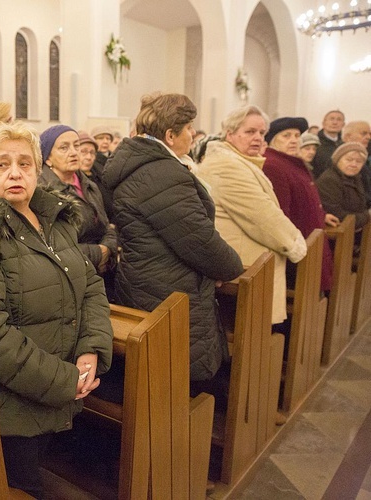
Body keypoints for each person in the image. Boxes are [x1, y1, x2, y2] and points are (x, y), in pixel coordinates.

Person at [0, 121, 114, 497]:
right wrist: (65, 380)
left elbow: (89, 284)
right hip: (9, 408)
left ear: (38, 168)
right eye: (2, 164)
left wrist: (91, 348)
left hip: (58, 391)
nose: (15, 172)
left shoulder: (53, 219)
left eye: (24, 163)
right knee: (22, 488)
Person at [102, 93, 243, 383]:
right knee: (173, 380)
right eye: (189, 128)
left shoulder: (139, 164)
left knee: (157, 376)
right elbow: (200, 240)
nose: (193, 134)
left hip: (146, 281)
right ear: (170, 135)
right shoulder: (161, 173)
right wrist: (230, 267)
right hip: (170, 291)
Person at [197, 106, 307, 325]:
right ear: (230, 133)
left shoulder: (240, 162)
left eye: (262, 133)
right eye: (250, 132)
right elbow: (264, 218)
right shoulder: (226, 165)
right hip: (245, 271)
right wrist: (297, 245)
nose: (257, 138)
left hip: (251, 267)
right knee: (252, 340)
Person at [38, 124, 118, 298]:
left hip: (100, 274)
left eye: (76, 146)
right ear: (48, 159)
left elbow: (106, 228)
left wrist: (108, 248)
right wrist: (99, 254)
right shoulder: (44, 192)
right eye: (64, 148)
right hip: (68, 281)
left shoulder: (89, 185)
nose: (74, 152)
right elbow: (54, 247)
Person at [263, 116, 338, 293]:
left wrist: (322, 214)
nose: (293, 140)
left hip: (310, 239)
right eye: (286, 136)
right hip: (299, 246)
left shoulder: (290, 162)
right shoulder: (273, 165)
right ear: (272, 140)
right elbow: (282, 211)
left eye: (297, 136)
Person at [317, 142, 371, 248]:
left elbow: (361, 205)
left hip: (353, 235)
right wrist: (367, 215)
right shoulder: (330, 180)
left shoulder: (355, 178)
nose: (354, 164)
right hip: (335, 240)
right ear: (338, 160)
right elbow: (338, 216)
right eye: (349, 160)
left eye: (359, 161)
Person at [341, 120, 371, 203]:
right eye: (363, 133)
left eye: (369, 134)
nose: (369, 137)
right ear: (348, 137)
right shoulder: (340, 159)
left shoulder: (363, 156)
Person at [312, 109, 345, 178]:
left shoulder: (344, 146)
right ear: (324, 123)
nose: (335, 122)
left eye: (339, 120)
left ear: (343, 124)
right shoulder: (314, 143)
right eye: (331, 119)